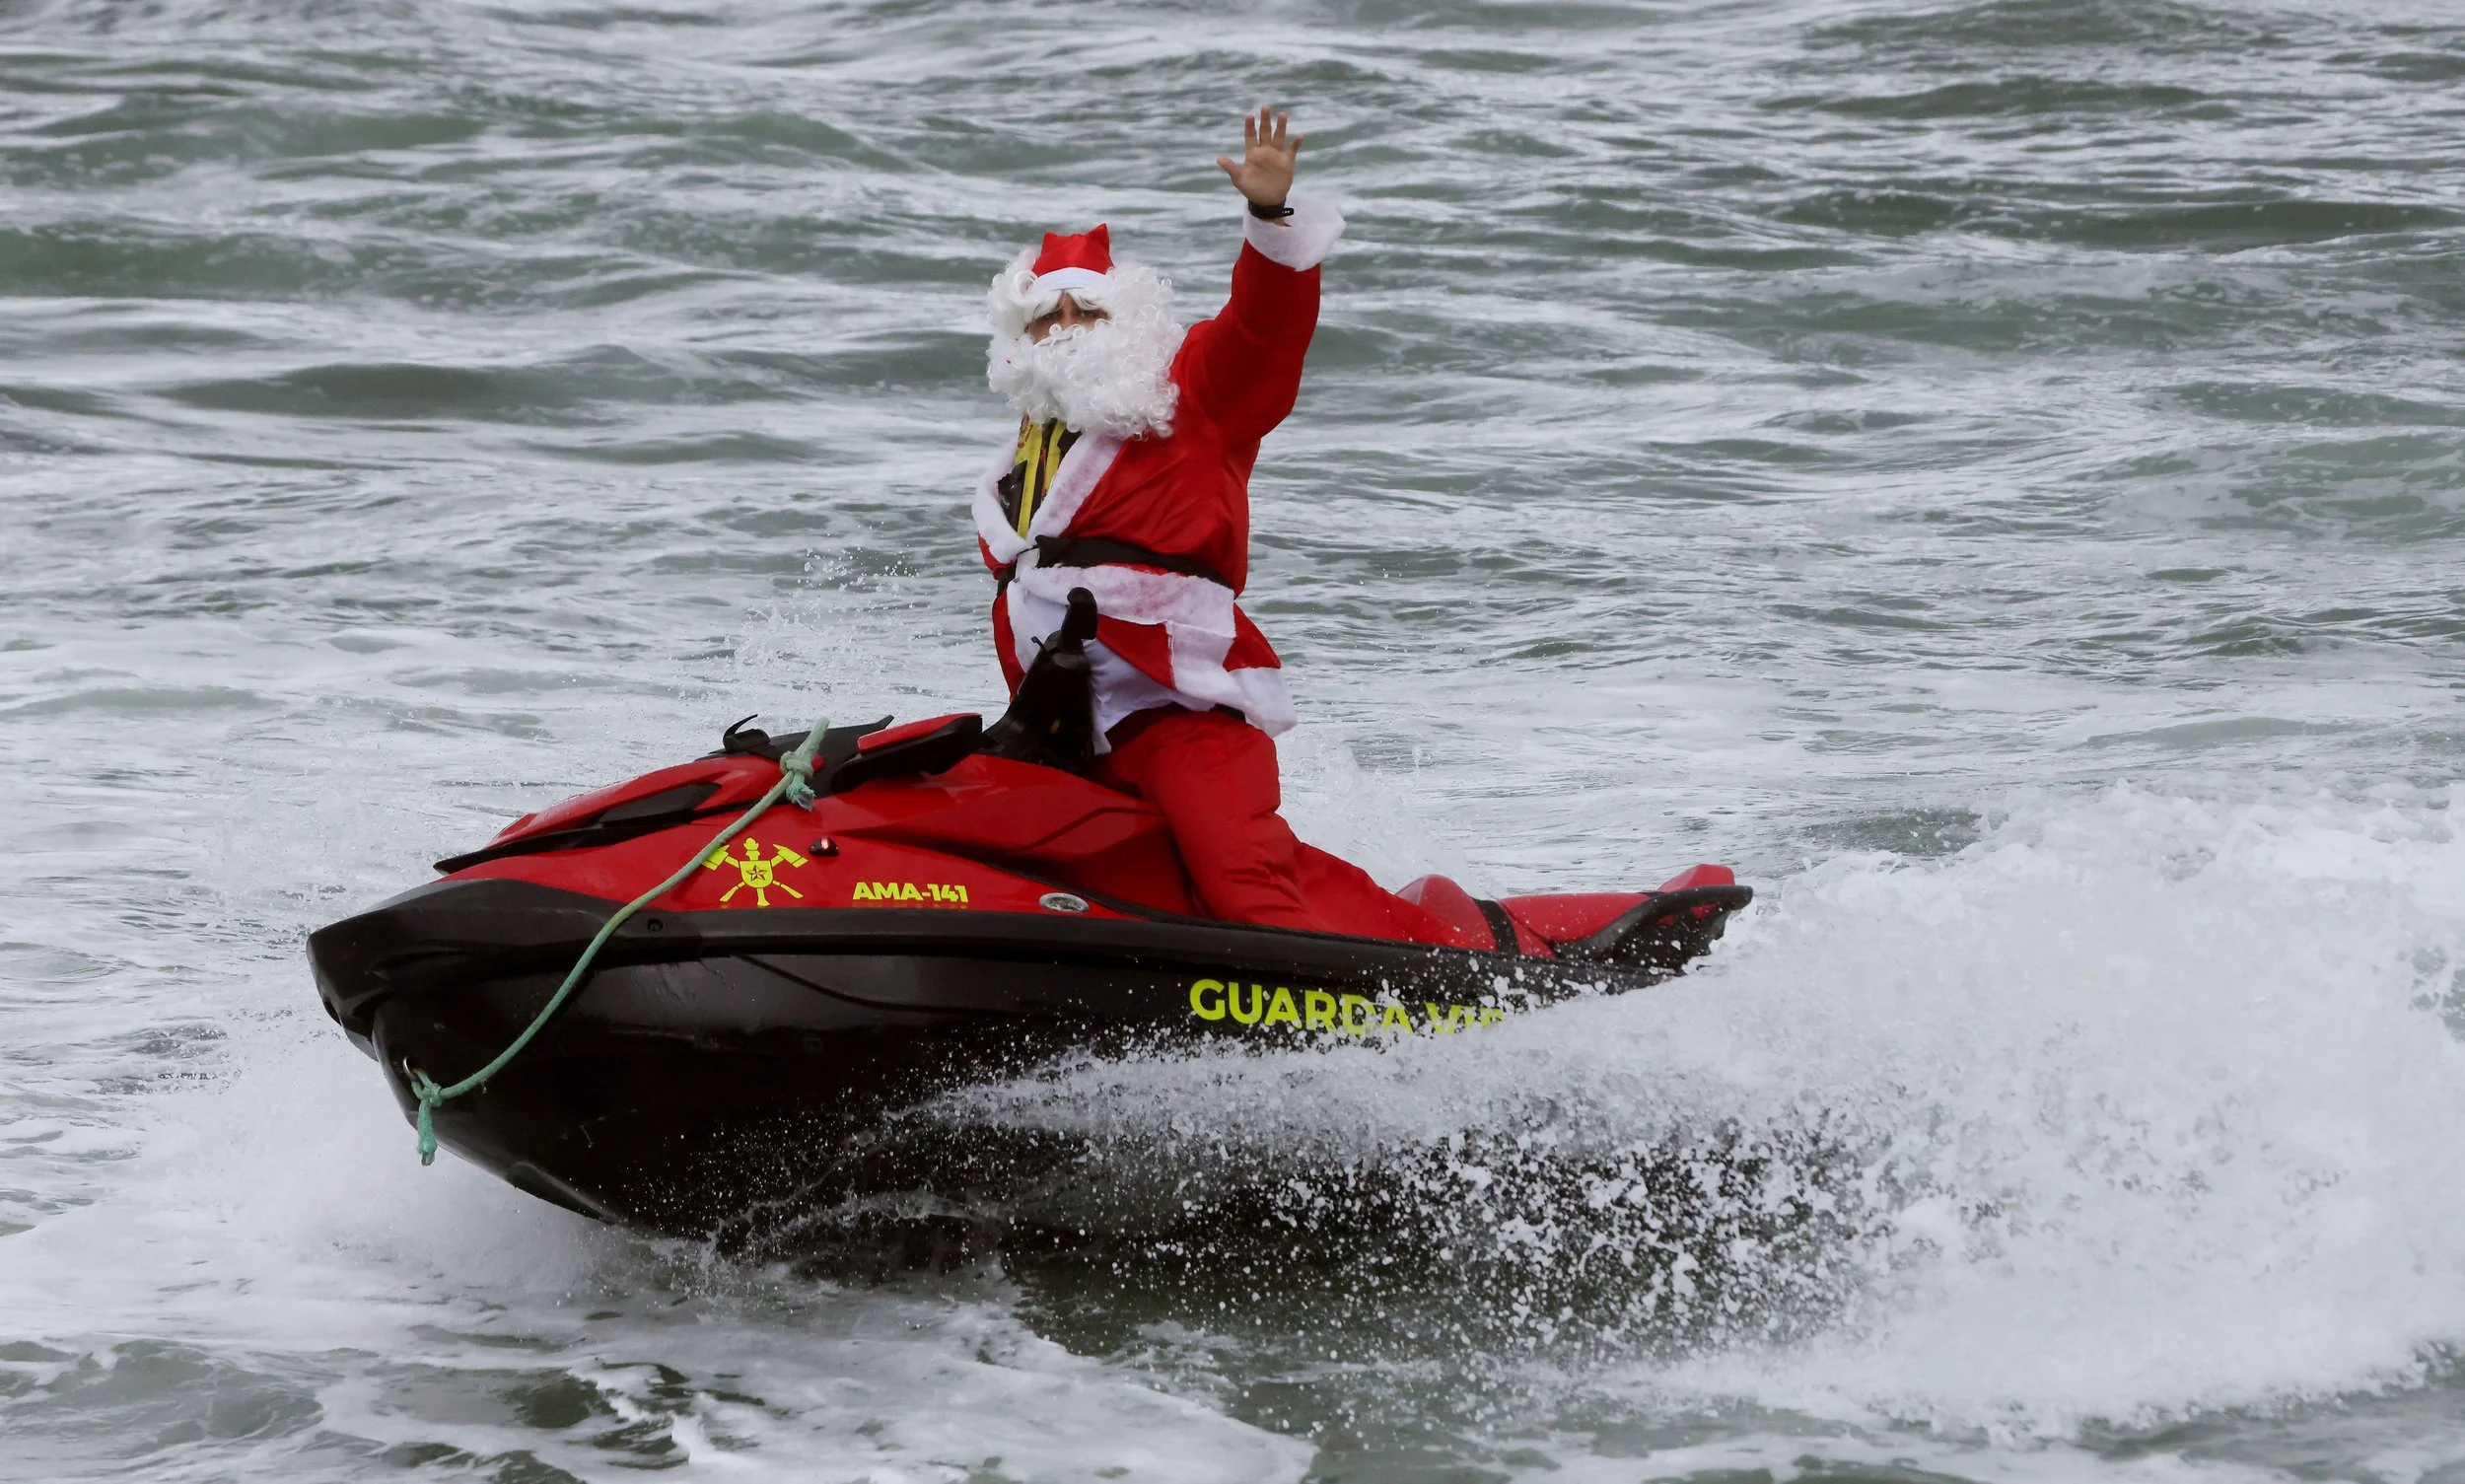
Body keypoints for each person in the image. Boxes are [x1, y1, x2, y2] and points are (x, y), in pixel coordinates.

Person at [973, 106, 1450, 942]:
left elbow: (1263, 334)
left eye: (1085, 312)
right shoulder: (1026, 462)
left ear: (1126, 321)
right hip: (1065, 728)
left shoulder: (1187, 393)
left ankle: (1422, 979)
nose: (1065, 332)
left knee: (1244, 890)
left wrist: (1268, 220)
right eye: (1046, 319)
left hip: (1180, 713)